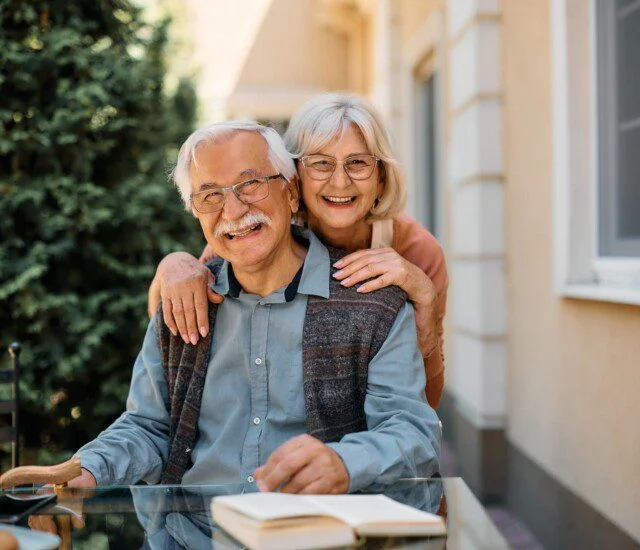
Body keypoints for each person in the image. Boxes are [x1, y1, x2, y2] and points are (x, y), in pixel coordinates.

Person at [69, 121, 441, 493]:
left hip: (315, 532)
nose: (232, 210)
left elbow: (411, 432)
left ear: (292, 193)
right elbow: (147, 427)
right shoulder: (184, 299)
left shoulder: (373, 302)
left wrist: (347, 462)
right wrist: (84, 471)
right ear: (195, 211)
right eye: (210, 195)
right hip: (192, 535)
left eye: (250, 184)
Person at [149, 93, 448, 408]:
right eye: (321, 163)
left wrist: (426, 300)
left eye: (357, 163)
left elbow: (423, 406)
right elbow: (172, 320)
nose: (340, 181)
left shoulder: (417, 251)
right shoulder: (261, 231)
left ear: (382, 179)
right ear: (294, 177)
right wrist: (173, 264)